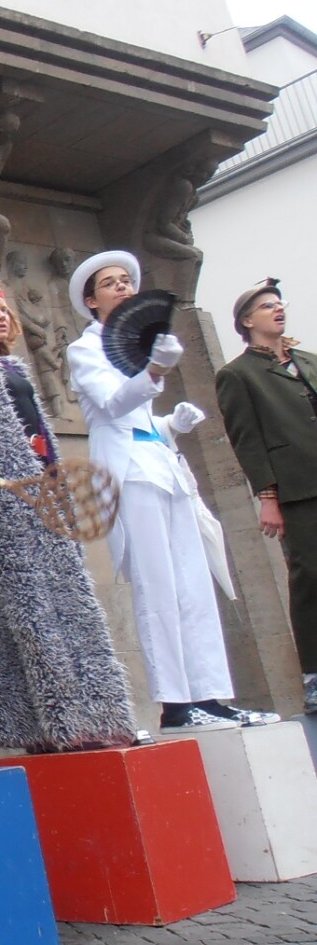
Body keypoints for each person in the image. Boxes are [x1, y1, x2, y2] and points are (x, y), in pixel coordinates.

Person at [0, 285, 138, 751]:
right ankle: (51, 728)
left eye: (4, 310)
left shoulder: (13, 368)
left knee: (70, 611)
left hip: (43, 502)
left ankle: (93, 719)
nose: (1, 316)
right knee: (26, 615)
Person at [65, 251, 278, 730]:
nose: (123, 287)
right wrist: (154, 374)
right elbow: (111, 406)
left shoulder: (141, 344)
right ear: (91, 300)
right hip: (129, 472)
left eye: (127, 280)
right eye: (111, 283)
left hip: (163, 465)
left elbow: (142, 422)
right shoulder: (86, 348)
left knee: (193, 583)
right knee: (157, 585)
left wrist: (170, 425)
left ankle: (211, 694)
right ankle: (176, 705)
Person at [215, 280, 317, 715]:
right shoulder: (238, 374)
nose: (278, 310)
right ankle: (313, 674)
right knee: (310, 575)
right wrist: (268, 496)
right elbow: (248, 441)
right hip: (297, 487)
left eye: (280, 304)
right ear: (247, 320)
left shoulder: (307, 360)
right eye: (267, 306)